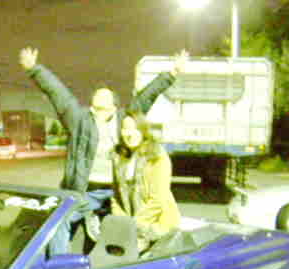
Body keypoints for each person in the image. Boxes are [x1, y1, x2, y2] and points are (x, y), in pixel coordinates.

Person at [19, 47, 187, 254]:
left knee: (125, 233)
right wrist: (35, 69)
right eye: (96, 99)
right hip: (87, 191)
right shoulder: (79, 120)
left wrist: (172, 73)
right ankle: (59, 265)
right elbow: (58, 93)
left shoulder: (125, 121)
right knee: (60, 221)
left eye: (105, 99)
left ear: (114, 106)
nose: (99, 99)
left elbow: (147, 96)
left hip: (119, 191)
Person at [111, 111, 181, 251]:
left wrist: (135, 226)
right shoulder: (118, 157)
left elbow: (158, 199)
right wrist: (122, 222)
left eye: (134, 129)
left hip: (158, 225)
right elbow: (116, 197)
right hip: (130, 228)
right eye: (125, 129)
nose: (130, 134)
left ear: (143, 130)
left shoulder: (157, 156)